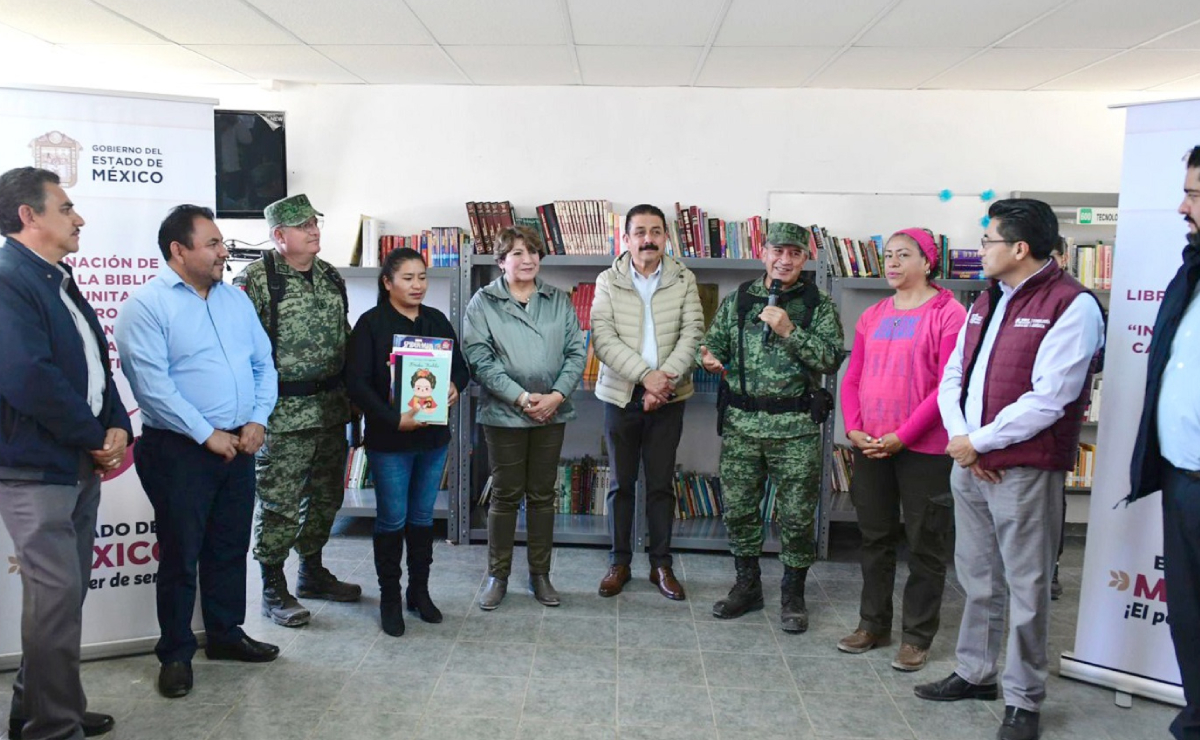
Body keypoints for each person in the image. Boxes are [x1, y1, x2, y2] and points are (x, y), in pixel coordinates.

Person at [919, 199, 1105, 740]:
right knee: (978, 580)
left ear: (1019, 248)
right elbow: (954, 372)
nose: (982, 253)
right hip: (971, 461)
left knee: (1026, 589)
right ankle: (976, 672)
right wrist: (961, 440)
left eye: (988, 243)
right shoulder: (984, 299)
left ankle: (1023, 699)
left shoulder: (1073, 305)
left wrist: (977, 443)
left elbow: (1051, 399)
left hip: (1021, 469)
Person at [115, 205, 280, 700]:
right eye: (212, 243)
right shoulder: (146, 305)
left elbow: (263, 364)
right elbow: (152, 387)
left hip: (240, 443)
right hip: (180, 450)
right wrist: (206, 433)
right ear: (178, 251)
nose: (223, 251)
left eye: (221, 242)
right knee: (182, 554)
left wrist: (257, 418)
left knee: (229, 546)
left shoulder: (235, 301)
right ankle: (176, 653)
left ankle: (226, 635)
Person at [0, 167, 130, 740]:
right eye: (67, 207)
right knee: (55, 602)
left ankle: (41, 711)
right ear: (29, 216)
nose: (79, 217)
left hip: (75, 461)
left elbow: (96, 365)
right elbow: (28, 376)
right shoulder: (8, 278)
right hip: (37, 468)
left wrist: (117, 423)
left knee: (62, 599)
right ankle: (53, 730)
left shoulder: (57, 276)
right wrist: (92, 435)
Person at [699, 222, 845, 633]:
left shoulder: (817, 304)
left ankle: (793, 593)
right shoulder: (740, 298)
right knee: (741, 511)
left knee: (797, 517)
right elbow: (713, 344)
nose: (785, 260)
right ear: (764, 252)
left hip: (795, 429)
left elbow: (831, 358)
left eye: (795, 254)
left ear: (805, 259)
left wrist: (790, 331)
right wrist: (707, 356)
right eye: (778, 251)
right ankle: (747, 586)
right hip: (742, 426)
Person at [838, 228, 966, 671]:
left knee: (925, 543)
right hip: (870, 445)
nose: (891, 263)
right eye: (888, 256)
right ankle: (872, 624)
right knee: (874, 538)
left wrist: (904, 435)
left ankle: (917, 635)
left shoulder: (949, 314)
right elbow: (852, 377)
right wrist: (854, 428)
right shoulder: (872, 314)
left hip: (924, 449)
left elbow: (946, 387)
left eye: (903, 255)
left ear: (927, 262)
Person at [237, 194, 360, 630]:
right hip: (281, 413)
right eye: (303, 225)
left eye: (314, 223)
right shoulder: (256, 280)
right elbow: (241, 351)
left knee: (326, 497)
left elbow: (344, 336)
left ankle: (312, 571)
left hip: (331, 408)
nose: (314, 231)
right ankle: (273, 584)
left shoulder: (330, 276)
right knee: (278, 504)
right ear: (278, 235)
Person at [347, 247, 470, 636]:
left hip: (433, 438)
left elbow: (462, 368)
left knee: (421, 518)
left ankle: (419, 591)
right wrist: (391, 419)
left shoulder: (436, 320)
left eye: (422, 277)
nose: (417, 285)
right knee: (392, 519)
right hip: (390, 440)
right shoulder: (370, 324)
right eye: (408, 278)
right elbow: (356, 384)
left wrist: (454, 386)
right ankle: (389, 598)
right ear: (387, 282)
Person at [463, 225, 586, 610]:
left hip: (553, 411)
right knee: (505, 494)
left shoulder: (558, 300)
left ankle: (540, 575)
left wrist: (556, 396)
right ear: (501, 261)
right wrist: (520, 397)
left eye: (533, 251)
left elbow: (576, 352)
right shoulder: (482, 303)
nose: (527, 259)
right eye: (517, 253)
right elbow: (479, 358)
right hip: (503, 414)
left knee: (542, 495)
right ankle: (498, 576)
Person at [590, 204, 705, 601]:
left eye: (656, 231)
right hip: (621, 397)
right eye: (639, 232)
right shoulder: (608, 280)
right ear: (626, 239)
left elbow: (693, 332)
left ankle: (661, 565)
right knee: (621, 484)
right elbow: (602, 337)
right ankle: (619, 562)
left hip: (669, 397)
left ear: (665, 238)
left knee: (660, 485)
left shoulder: (683, 278)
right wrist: (645, 377)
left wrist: (663, 383)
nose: (648, 239)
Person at [1127, 146, 1200, 740]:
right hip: (1182, 475)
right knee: (1190, 617)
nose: (1183, 206)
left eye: (1195, 194)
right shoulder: (1191, 270)